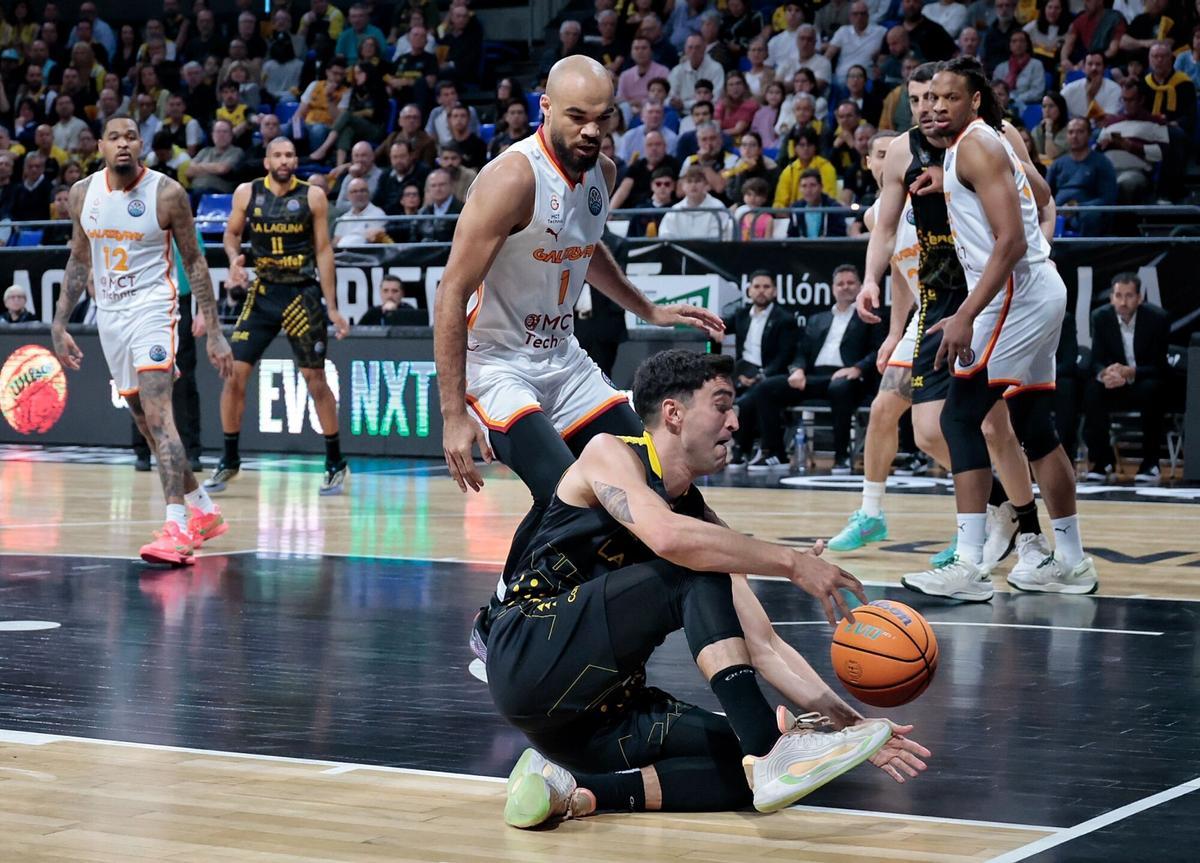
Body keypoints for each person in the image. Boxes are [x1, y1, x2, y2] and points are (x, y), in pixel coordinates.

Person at [489, 349, 927, 827]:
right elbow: (669, 538)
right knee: (695, 569)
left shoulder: (697, 519)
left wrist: (854, 728)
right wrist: (792, 563)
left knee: (755, 766)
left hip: (594, 715)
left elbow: (764, 644)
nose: (735, 422)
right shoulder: (609, 453)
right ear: (674, 414)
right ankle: (768, 752)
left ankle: (572, 791)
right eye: (722, 405)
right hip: (528, 650)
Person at [434, 55, 724, 653]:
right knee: (572, 491)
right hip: (499, 365)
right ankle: (499, 617)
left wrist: (648, 309)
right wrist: (452, 415)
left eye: (602, 117)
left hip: (564, 360)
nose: (591, 130)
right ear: (544, 107)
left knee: (657, 475)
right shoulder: (512, 178)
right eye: (576, 117)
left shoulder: (602, 170)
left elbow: (586, 250)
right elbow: (452, 292)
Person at [900, 57, 1098, 598]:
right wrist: (958, 183)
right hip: (1037, 287)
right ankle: (1072, 563)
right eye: (931, 98)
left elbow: (1009, 240)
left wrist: (966, 312)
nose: (937, 107)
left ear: (975, 100)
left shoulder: (976, 145)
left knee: (960, 418)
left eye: (950, 98)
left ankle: (968, 564)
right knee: (1035, 428)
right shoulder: (993, 141)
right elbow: (1037, 190)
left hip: (1016, 292)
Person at [838, 72, 1035, 573]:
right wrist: (880, 305)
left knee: (994, 426)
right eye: (921, 98)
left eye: (940, 97)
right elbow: (904, 269)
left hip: (986, 295)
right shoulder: (898, 180)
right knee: (925, 428)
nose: (930, 106)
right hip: (932, 306)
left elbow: (1037, 203)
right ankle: (993, 512)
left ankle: (1021, 528)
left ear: (962, 99)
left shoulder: (988, 139)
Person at [50, 117, 232, 565]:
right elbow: (78, 259)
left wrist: (215, 329)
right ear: (101, 146)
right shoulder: (82, 194)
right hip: (110, 315)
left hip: (155, 308)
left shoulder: (167, 193)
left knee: (158, 412)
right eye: (115, 137)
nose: (124, 144)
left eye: (131, 136)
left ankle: (176, 526)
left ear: (142, 144)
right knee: (145, 422)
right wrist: (59, 323)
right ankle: (204, 511)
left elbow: (195, 261)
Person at [206, 136, 352, 497]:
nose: (284, 160)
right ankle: (229, 459)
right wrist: (233, 261)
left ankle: (335, 462)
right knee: (234, 374)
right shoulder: (247, 193)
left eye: (289, 155)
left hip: (301, 293)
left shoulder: (312, 196)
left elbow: (323, 250)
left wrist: (332, 306)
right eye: (278, 155)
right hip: (263, 292)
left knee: (315, 379)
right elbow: (231, 234)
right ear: (267, 160)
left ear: (296, 159)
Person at [736, 265, 881, 472]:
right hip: (814, 377)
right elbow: (801, 351)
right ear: (832, 288)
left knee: (839, 388)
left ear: (860, 286)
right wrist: (797, 369)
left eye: (850, 283)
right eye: (840, 283)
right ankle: (776, 453)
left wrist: (857, 368)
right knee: (766, 388)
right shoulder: (817, 319)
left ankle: (842, 456)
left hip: (849, 378)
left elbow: (879, 349)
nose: (845, 287)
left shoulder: (869, 317)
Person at [1082, 273, 1170, 484]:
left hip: (1143, 381)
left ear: (1139, 298)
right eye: (1118, 295)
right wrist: (1106, 374)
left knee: (1153, 390)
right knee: (1092, 390)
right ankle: (1102, 461)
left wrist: (1132, 372)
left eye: (1129, 296)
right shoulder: (1100, 317)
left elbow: (1161, 366)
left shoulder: (1158, 319)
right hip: (1115, 383)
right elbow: (1095, 360)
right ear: (1111, 297)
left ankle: (1150, 463)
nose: (1123, 301)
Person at [133, 227, 207, 474]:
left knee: (185, 379)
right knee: (143, 376)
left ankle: (191, 450)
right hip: (146, 302)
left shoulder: (187, 225)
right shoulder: (139, 221)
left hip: (181, 302)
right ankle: (143, 450)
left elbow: (198, 265)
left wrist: (202, 311)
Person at [358, 274, 428, 325]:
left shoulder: (410, 311)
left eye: (394, 291)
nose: (390, 295)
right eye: (385, 291)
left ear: (402, 293)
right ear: (380, 293)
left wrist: (393, 312)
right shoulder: (373, 313)